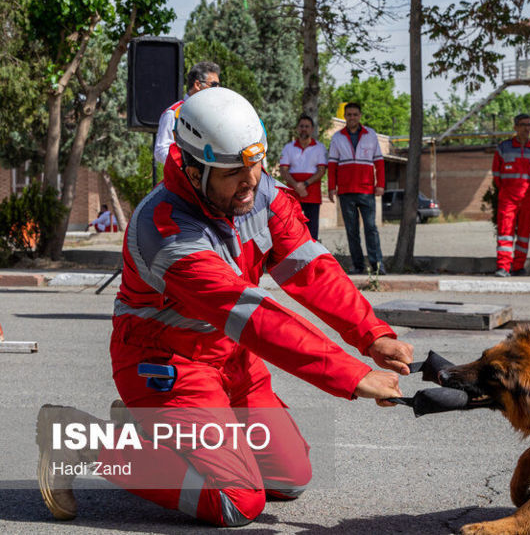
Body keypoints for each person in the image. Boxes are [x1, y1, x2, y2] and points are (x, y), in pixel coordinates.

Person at [36, 88, 414, 526]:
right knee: (237, 500)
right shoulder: (165, 229)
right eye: (234, 170)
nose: (251, 179)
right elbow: (252, 316)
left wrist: (373, 334)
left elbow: (311, 270)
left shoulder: (259, 195)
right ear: (195, 170)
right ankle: (77, 438)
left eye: (256, 163)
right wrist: (352, 375)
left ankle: (155, 433)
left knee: (290, 478)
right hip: (169, 366)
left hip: (233, 363)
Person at [327, 102, 385, 274]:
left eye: (355, 114)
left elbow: (379, 162)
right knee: (352, 231)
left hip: (367, 190)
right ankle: (358, 265)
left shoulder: (371, 135)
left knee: (371, 228)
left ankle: (377, 265)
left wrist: (380, 184)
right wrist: (331, 188)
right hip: (345, 191)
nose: (352, 117)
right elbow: (332, 165)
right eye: (349, 114)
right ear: (345, 116)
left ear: (360, 116)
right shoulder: (337, 137)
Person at [491, 114, 530, 277]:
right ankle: (503, 267)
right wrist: (507, 190)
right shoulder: (503, 147)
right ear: (515, 127)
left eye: (529, 125)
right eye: (523, 125)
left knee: (524, 233)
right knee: (506, 231)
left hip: (528, 197)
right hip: (508, 197)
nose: (527, 128)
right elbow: (497, 174)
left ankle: (518, 266)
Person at [154, 61, 221, 167]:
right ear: (198, 85)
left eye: (218, 85)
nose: (217, 89)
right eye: (213, 85)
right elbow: (161, 150)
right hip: (185, 178)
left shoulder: (216, 112)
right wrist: (187, 164)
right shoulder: (174, 113)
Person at [278, 115, 327, 240]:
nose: (304, 129)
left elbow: (321, 171)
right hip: (293, 195)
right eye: (301, 126)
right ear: (297, 129)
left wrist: (304, 185)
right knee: (292, 228)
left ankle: (312, 258)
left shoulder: (320, 147)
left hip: (312, 194)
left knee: (312, 230)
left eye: (307, 126)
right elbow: (283, 170)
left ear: (312, 129)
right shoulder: (288, 147)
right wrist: (296, 186)